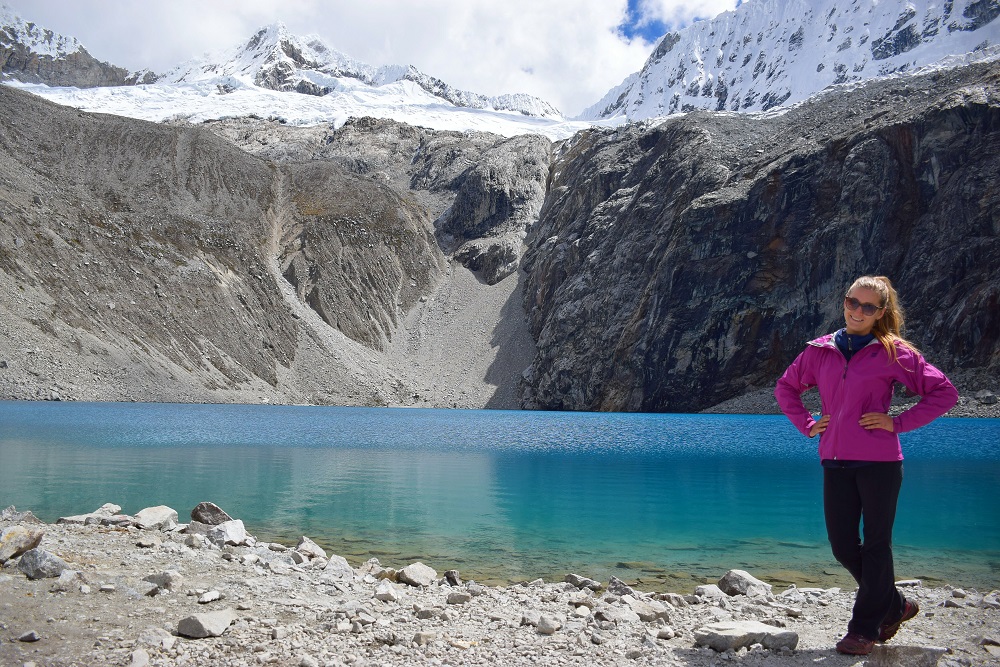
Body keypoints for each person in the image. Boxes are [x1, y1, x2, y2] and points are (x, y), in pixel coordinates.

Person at [774, 275, 958, 656]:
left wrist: (899, 421)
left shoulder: (895, 352)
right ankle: (895, 604)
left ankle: (863, 628)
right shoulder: (820, 350)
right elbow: (786, 387)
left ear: (881, 313)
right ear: (844, 302)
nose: (857, 311)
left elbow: (944, 392)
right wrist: (809, 424)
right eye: (851, 302)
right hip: (835, 460)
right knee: (843, 545)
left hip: (880, 463)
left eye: (868, 307)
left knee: (876, 545)